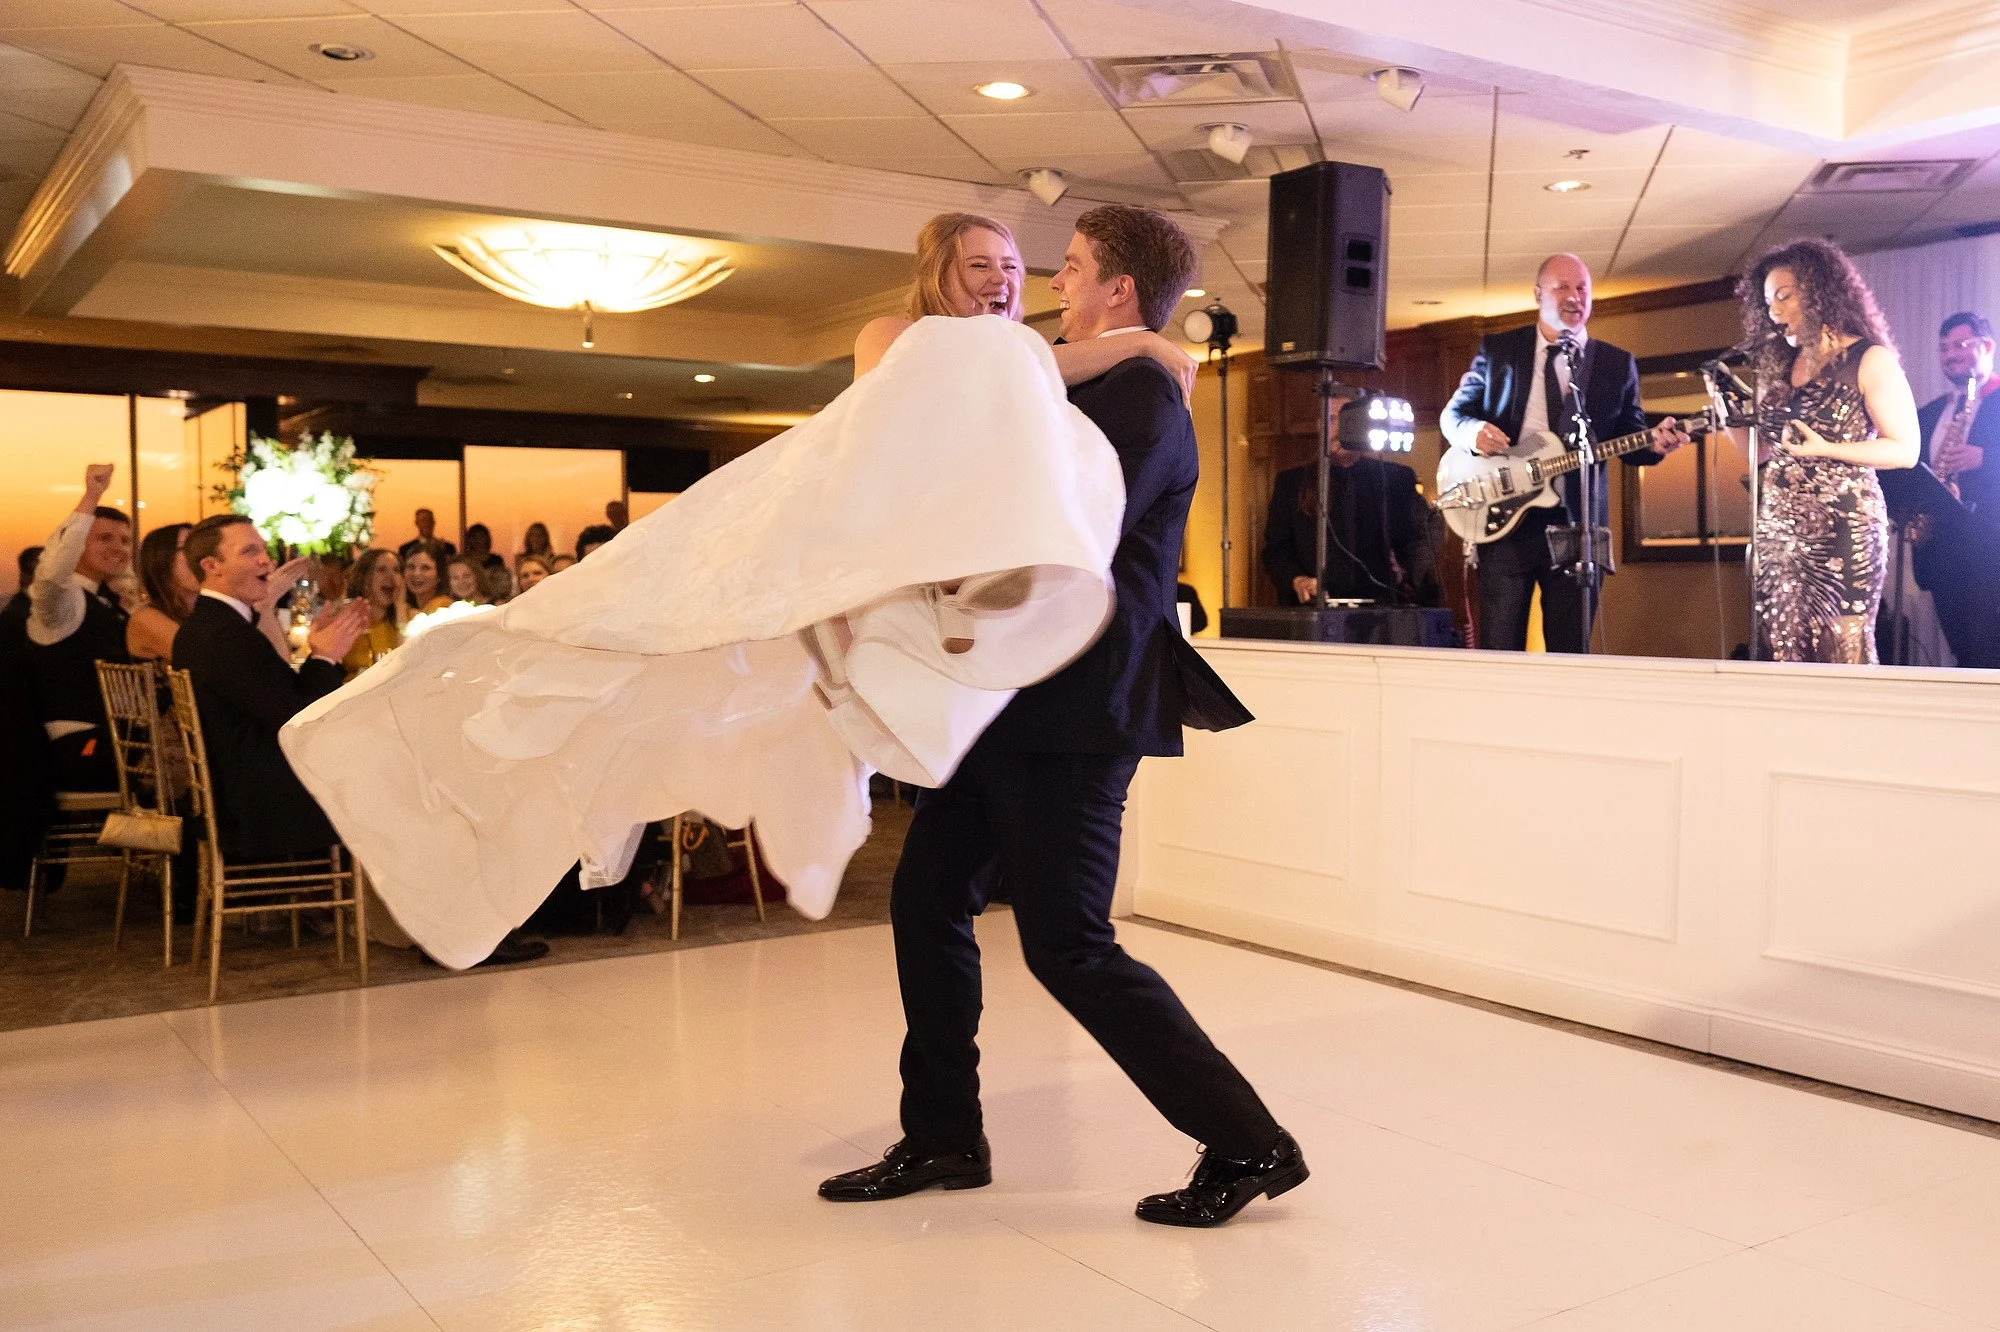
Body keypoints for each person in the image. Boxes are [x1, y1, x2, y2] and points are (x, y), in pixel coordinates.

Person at [279, 208, 1145, 977]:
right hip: (832, 531)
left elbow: (1027, 377)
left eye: (1010, 268)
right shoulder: (902, 334)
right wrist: (1141, 343)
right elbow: (995, 373)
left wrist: (1133, 348)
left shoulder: (1019, 361)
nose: (1001, 283)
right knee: (649, 623)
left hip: (901, 576)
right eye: (980, 266)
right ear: (938, 273)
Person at [820, 205, 1295, 1229]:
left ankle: (1249, 1142)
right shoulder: (1110, 375)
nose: (1054, 287)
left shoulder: (1138, 393)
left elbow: (1047, 528)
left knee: (1068, 943)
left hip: (1079, 709)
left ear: (1117, 292)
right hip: (1014, 705)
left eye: (1071, 271)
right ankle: (943, 1133)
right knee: (926, 899)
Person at [1442, 254, 1688, 651]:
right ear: (1539, 294)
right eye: (1562, 288)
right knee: (1499, 649)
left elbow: (1631, 437)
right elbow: (1454, 415)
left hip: (1578, 526)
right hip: (1505, 518)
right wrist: (1473, 434)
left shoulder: (1615, 363)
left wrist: (1655, 444)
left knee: (1569, 654)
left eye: (1582, 289)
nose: (1574, 297)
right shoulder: (1501, 349)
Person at [1738, 240, 1920, 663]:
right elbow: (1765, 451)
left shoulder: (1868, 358)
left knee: (1842, 649)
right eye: (1768, 303)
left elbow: (1905, 448)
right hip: (1780, 531)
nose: (1775, 311)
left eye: (1785, 296)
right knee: (1784, 646)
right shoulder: (1779, 368)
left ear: (1820, 292)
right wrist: (1731, 415)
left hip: (1844, 526)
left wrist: (1830, 448)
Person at [173, 515, 370, 862]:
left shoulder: (209, 625)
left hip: (237, 792)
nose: (267, 560)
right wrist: (325, 657)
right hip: (261, 806)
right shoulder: (225, 636)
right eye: (250, 551)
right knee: (383, 771)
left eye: (263, 549)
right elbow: (298, 718)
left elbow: (283, 698)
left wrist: (319, 652)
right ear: (212, 566)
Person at [25, 464, 134, 791]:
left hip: (112, 743)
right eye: (104, 538)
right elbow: (52, 573)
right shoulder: (61, 603)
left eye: (126, 540)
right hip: (78, 747)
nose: (119, 548)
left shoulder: (110, 602)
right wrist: (91, 496)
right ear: (78, 546)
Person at [1262, 422, 1438, 606]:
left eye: (1346, 418)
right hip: (1314, 609)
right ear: (1319, 425)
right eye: (1331, 418)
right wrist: (1297, 580)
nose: (1339, 428)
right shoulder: (1291, 483)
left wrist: (1407, 570)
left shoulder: (1397, 479)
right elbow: (1276, 549)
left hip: (1384, 608)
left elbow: (1426, 531)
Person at [1909, 312, 2000, 667]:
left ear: (1988, 346)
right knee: (1966, 655)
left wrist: (1986, 458)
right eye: (1943, 348)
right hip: (1943, 552)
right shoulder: (1931, 413)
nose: (1951, 354)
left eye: (1961, 344)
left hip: (1990, 548)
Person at [126, 523, 197, 662]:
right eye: (189, 548)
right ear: (162, 558)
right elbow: (209, 662)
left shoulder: (207, 612)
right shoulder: (146, 618)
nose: (201, 558)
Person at [341, 548, 406, 679]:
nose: (391, 577)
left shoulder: (409, 618)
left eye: (396, 570)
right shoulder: (346, 621)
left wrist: (400, 607)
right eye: (382, 570)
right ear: (364, 578)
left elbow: (406, 663)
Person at [403, 545, 445, 612]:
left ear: (439, 575)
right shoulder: (409, 608)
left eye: (425, 568)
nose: (416, 573)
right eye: (411, 567)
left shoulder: (443, 607)